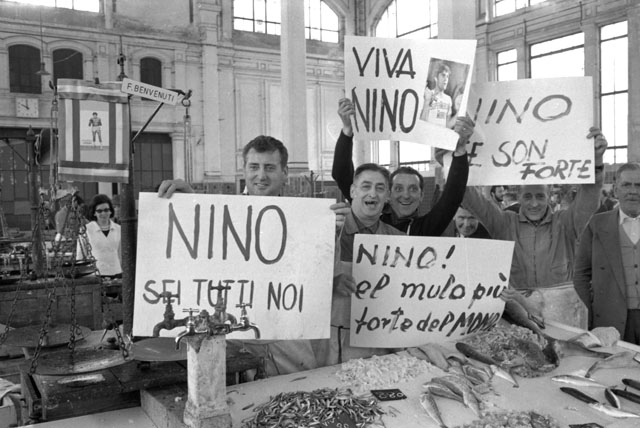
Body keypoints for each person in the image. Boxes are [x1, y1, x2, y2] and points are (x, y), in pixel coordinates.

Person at [158, 135, 349, 376]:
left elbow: (321, 276)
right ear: (244, 170)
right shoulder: (222, 215)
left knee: (297, 392)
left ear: (284, 172)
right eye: (254, 167)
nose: (261, 175)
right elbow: (201, 247)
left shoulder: (309, 220)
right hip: (233, 336)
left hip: (288, 337)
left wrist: (329, 236)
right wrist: (188, 202)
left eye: (269, 167)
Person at [461, 127, 607, 292]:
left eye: (540, 196)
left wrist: (596, 160)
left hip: (561, 306)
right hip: (518, 306)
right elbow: (472, 199)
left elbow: (589, 194)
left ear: (549, 195)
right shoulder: (504, 223)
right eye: (528, 196)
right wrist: (454, 163)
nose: (534, 203)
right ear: (519, 196)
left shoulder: (565, 223)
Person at [332, 98, 473, 237]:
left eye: (413, 189)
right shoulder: (369, 214)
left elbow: (452, 197)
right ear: (388, 194)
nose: (406, 195)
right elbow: (341, 174)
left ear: (421, 196)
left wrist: (460, 149)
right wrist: (348, 130)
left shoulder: (424, 229)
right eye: (398, 188)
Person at [318, 163, 404, 367]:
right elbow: (299, 282)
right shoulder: (326, 229)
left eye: (380, 188)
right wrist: (330, 283)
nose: (372, 193)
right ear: (352, 191)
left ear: (388, 196)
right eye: (366, 186)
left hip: (379, 342)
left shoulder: (400, 240)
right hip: (332, 340)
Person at [574, 162, 640, 344]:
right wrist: (589, 315)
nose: (633, 191)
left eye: (638, 185)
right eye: (626, 185)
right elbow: (581, 275)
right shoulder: (597, 225)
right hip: (611, 321)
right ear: (616, 190)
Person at [81, 194, 122, 277]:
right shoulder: (86, 229)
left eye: (106, 210)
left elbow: (121, 253)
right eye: (99, 211)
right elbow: (81, 255)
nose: (103, 213)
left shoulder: (118, 229)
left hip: (116, 273)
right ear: (94, 213)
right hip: (95, 274)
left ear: (110, 211)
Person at [419, 62, 453, 127]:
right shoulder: (428, 96)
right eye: (443, 75)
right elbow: (421, 123)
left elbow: (448, 126)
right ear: (436, 78)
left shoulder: (448, 99)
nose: (446, 79)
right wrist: (427, 102)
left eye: (447, 76)